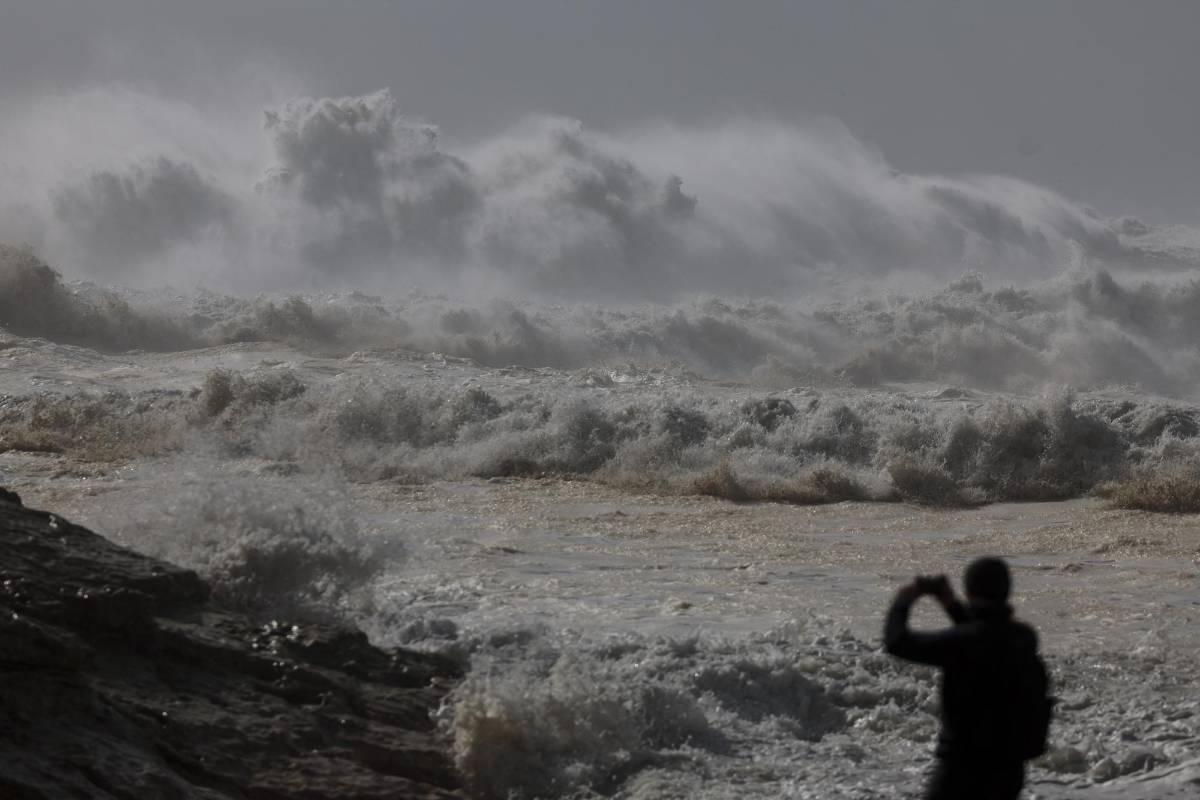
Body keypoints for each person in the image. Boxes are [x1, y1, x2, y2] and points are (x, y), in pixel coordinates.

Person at [883, 557, 1050, 800]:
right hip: (1009, 770)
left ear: (969, 590)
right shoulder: (1023, 637)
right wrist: (951, 605)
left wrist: (902, 601)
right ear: (1007, 590)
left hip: (962, 769)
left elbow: (897, 642)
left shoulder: (965, 642)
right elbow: (984, 633)